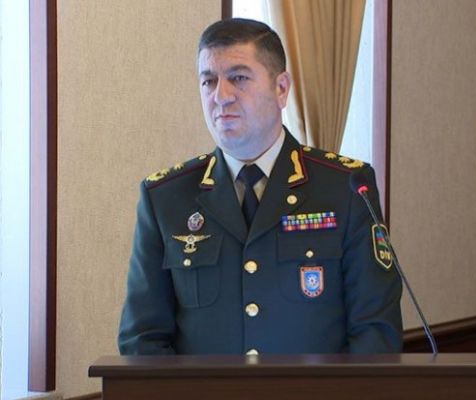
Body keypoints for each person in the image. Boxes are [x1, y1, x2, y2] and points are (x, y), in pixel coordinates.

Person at [118, 18, 402, 355]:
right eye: (209, 81)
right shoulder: (166, 198)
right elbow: (142, 340)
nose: (221, 96)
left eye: (238, 78)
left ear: (281, 88)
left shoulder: (346, 188)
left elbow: (375, 332)